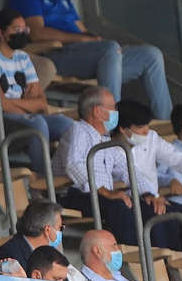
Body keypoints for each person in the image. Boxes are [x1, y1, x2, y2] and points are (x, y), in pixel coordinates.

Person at [11, 0, 172, 117]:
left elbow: (82, 29)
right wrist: (85, 40)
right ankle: (111, 120)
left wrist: (99, 41)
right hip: (55, 55)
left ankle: (165, 120)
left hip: (87, 56)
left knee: (150, 55)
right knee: (108, 49)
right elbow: (37, 33)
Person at [0, 9, 72, 173]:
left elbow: (41, 103)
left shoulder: (23, 57)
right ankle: (45, 178)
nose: (22, 33)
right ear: (1, 33)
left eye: (25, 29)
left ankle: (66, 174)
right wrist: (26, 107)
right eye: (17, 29)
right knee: (37, 123)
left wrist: (13, 104)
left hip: (10, 111)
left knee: (67, 125)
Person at [57, 86, 147, 245]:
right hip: (77, 194)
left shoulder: (105, 140)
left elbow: (128, 170)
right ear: (97, 112)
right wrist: (105, 191)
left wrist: (149, 195)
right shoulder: (78, 130)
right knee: (119, 206)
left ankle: (165, 259)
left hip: (100, 196)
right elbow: (73, 164)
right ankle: (134, 254)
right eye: (113, 107)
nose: (116, 112)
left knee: (147, 207)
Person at [118, 98, 182, 247]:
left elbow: (177, 158)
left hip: (154, 199)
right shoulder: (109, 146)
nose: (146, 130)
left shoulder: (151, 138)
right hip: (129, 201)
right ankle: (168, 263)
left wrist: (154, 196)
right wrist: (152, 196)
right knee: (162, 215)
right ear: (123, 128)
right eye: (141, 126)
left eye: (147, 125)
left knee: (167, 213)